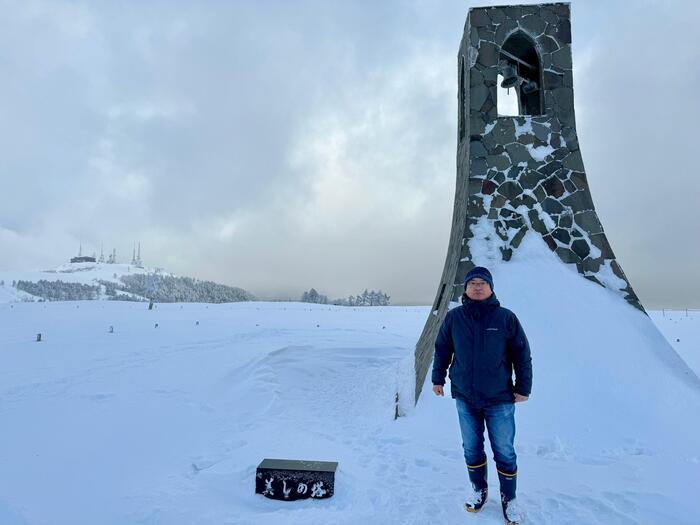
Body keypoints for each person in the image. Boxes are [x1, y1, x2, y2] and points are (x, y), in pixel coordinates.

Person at [432, 266, 532, 525]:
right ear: (465, 288)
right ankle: (479, 490)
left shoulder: (506, 318)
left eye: (482, 283)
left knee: (505, 451)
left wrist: (523, 387)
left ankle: (509, 500)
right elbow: (442, 348)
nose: (477, 286)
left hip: (499, 398)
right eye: (472, 283)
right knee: (472, 449)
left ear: (491, 288)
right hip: (465, 397)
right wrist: (437, 379)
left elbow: (522, 354)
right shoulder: (454, 318)